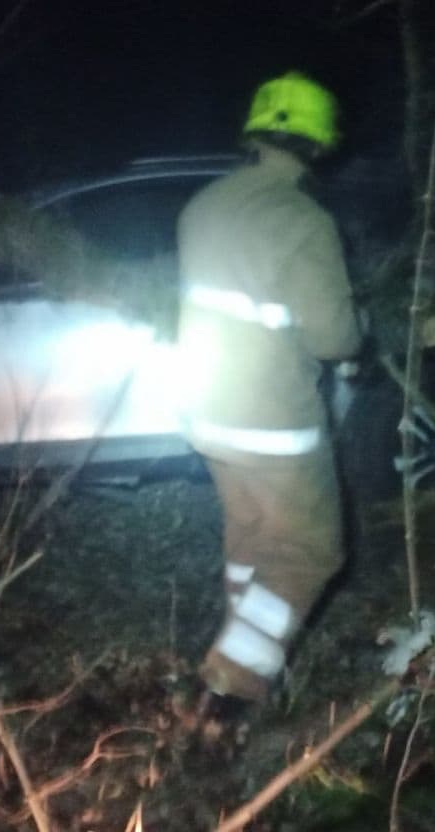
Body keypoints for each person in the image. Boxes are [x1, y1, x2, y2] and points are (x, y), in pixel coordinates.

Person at [176, 72, 363, 708]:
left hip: (207, 414)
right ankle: (232, 683)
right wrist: (363, 327)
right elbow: (335, 339)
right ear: (319, 145)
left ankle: (244, 655)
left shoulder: (202, 206)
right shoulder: (303, 219)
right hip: (274, 422)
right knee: (311, 550)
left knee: (252, 540)